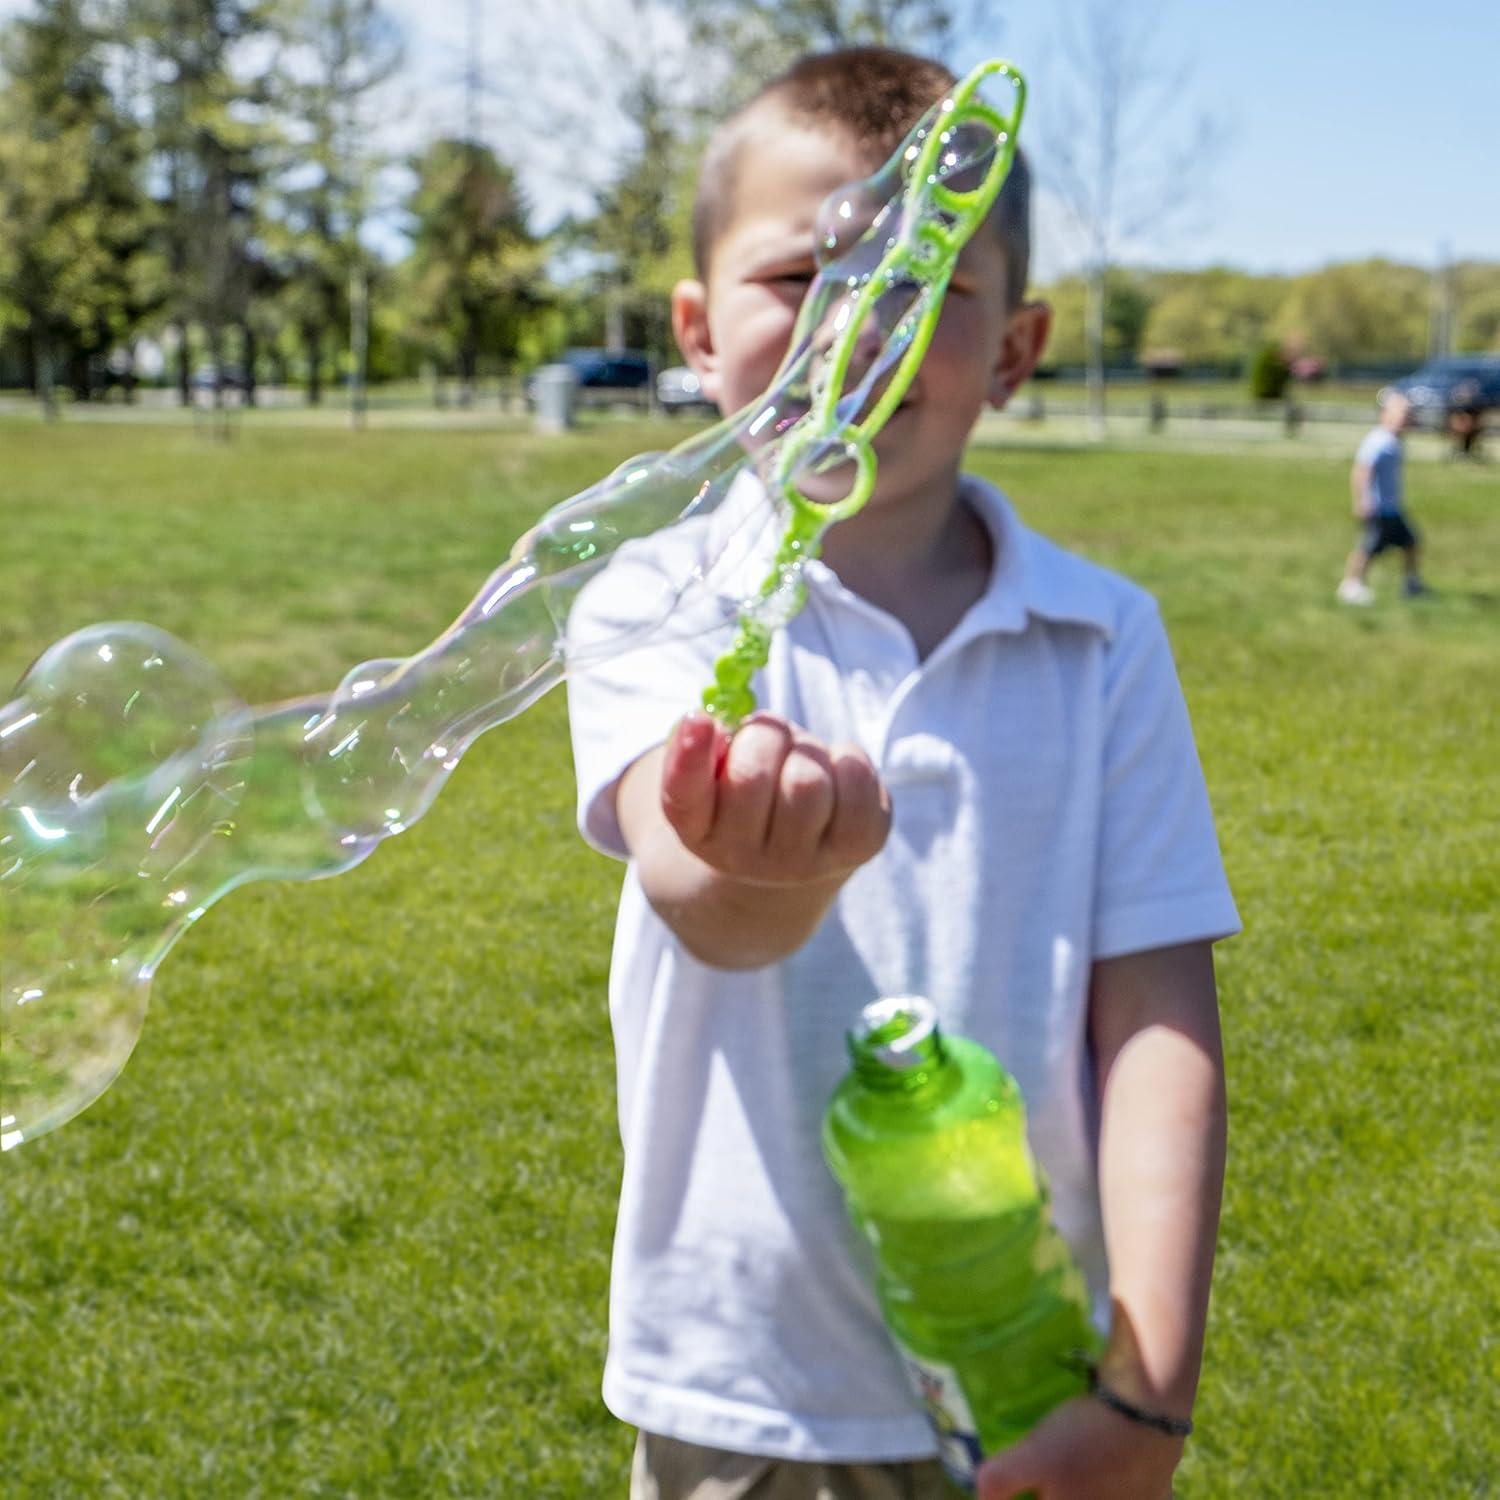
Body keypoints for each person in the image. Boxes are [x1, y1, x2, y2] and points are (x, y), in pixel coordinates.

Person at [566, 46, 1239, 1500]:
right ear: (695, 328)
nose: (863, 322)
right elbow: (700, 898)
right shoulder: (651, 599)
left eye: (930, 278)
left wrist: (1148, 1391)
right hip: (743, 1399)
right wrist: (759, 869)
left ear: (1015, 349)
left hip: (1027, 1377)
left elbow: (1159, 1019)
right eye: (805, 281)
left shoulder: (1103, 638)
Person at [1337, 392, 1427, 604]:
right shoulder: (1379, 441)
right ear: (1384, 415)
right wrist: (1363, 500)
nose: (1404, 420)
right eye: (1400, 416)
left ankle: (1411, 583)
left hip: (1392, 507)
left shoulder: (1394, 441)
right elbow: (1362, 470)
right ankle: (1351, 585)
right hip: (1378, 507)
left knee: (1411, 542)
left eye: (1407, 416)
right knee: (1367, 547)